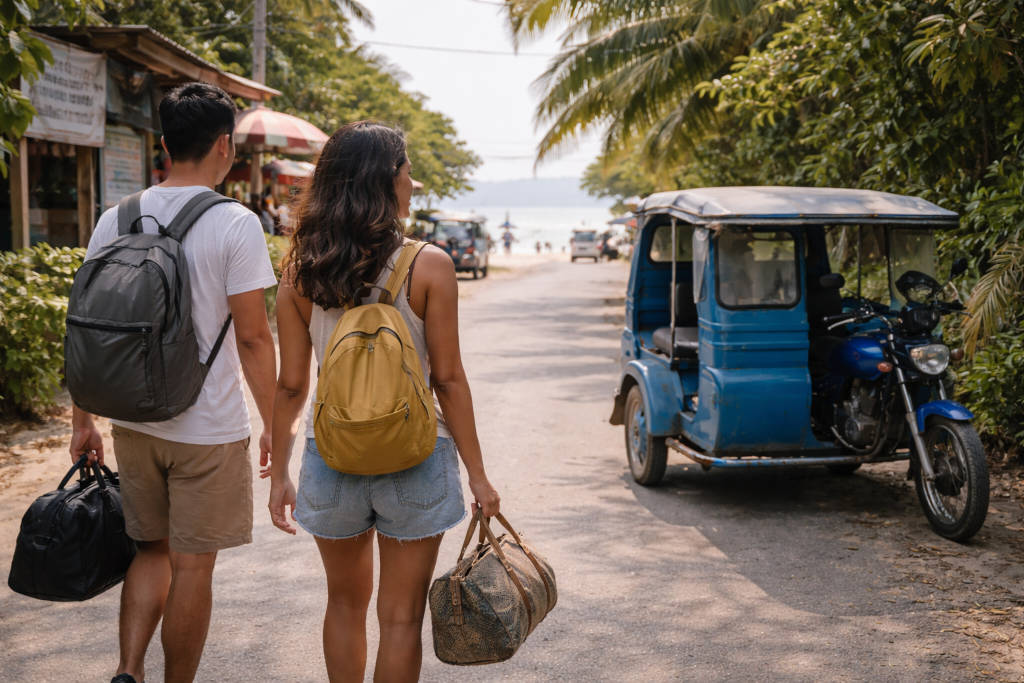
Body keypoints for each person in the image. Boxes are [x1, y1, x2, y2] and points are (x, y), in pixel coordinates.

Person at [267, 121, 501, 682]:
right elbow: (448, 379)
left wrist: (279, 473)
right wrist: (479, 476)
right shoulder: (430, 265)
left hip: (333, 455)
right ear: (385, 180)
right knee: (400, 619)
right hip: (417, 455)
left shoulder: (301, 270)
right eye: (408, 171)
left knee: (343, 604)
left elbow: (292, 386)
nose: (414, 183)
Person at [69, 82, 278, 683]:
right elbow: (254, 339)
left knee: (150, 551)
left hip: (131, 419)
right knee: (193, 567)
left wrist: (85, 420)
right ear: (224, 146)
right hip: (206, 428)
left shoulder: (118, 216)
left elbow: (89, 325)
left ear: (162, 145)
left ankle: (128, 671)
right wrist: (274, 427)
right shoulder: (235, 223)